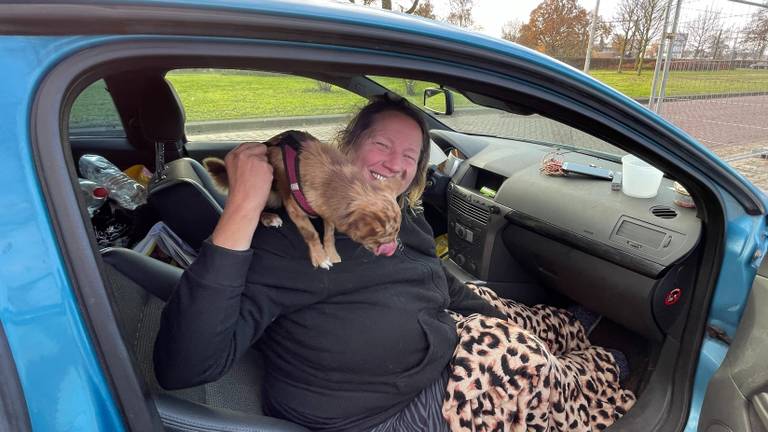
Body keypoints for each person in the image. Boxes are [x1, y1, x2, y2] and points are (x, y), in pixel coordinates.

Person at [154, 95, 634, 432]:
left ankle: (566, 332)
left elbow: (431, 275)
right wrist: (243, 205)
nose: (395, 164)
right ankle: (591, 373)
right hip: (378, 414)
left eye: (410, 155)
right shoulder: (287, 244)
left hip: (431, 345)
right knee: (517, 361)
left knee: (495, 306)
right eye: (382, 145)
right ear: (347, 146)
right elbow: (183, 367)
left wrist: (498, 318)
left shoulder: (393, 210)